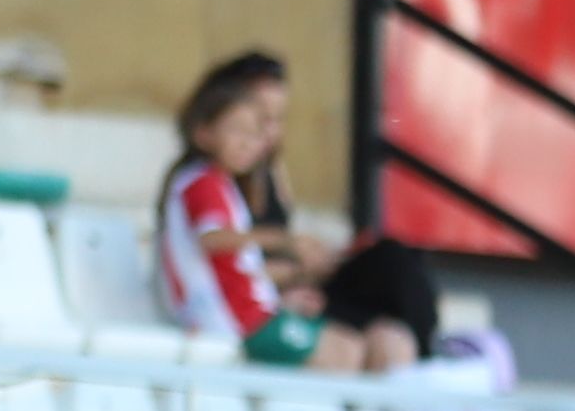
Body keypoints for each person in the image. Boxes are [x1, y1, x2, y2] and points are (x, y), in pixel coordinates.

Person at [154, 54, 407, 374]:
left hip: (251, 314)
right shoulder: (202, 181)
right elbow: (211, 239)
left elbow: (235, 268)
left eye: (255, 134)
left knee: (350, 347)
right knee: (342, 352)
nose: (248, 144)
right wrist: (283, 240)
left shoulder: (221, 184)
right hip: (238, 322)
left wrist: (283, 296)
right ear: (203, 133)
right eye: (237, 131)